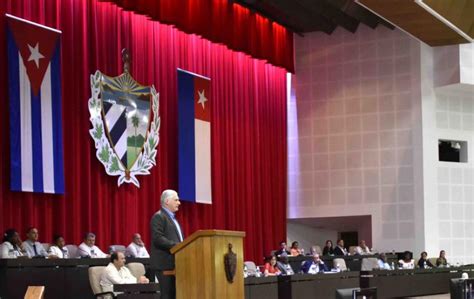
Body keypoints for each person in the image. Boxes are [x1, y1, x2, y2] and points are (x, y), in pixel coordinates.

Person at [150, 189, 184, 299]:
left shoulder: (174, 219)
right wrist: (178, 246)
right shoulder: (159, 217)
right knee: (167, 296)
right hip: (164, 264)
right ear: (167, 201)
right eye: (176, 200)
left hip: (176, 264)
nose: (179, 202)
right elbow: (158, 238)